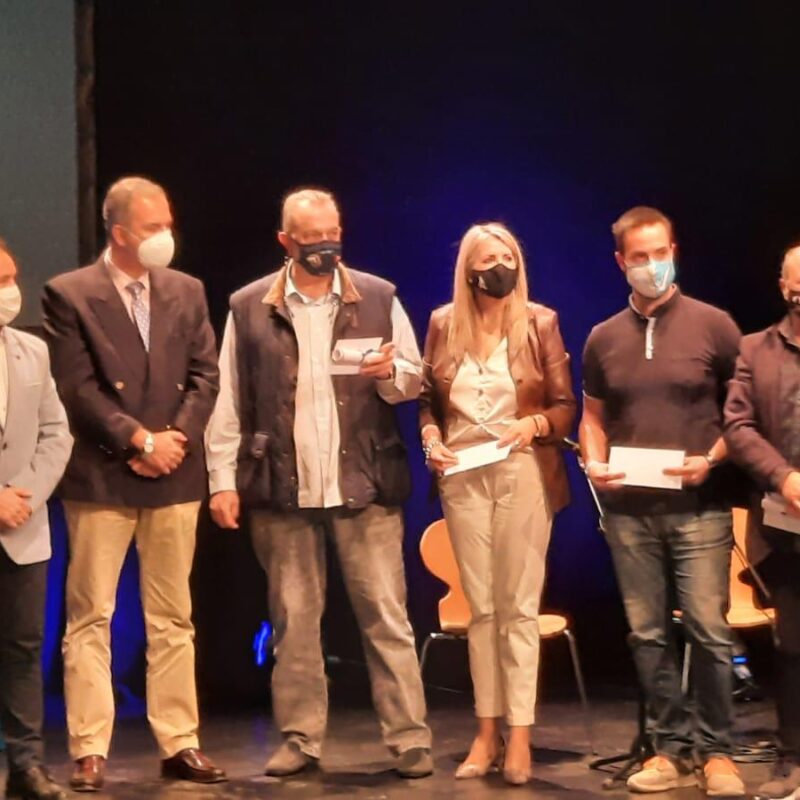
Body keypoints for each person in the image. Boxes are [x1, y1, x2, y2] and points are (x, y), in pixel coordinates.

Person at [205, 187, 433, 779]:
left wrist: (391, 372)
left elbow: (414, 380)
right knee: (294, 622)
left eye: (333, 235)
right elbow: (229, 401)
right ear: (286, 241)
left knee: (386, 616)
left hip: (365, 483)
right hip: (283, 487)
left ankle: (409, 737)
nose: (325, 248)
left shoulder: (378, 296)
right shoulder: (249, 306)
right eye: (312, 240)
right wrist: (222, 480)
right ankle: (300, 737)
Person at [41, 177, 225, 791]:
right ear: (119, 233)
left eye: (167, 223)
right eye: (152, 227)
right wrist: (139, 442)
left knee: (173, 616)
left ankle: (180, 741)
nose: (165, 236)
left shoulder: (186, 290)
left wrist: (174, 440)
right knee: (90, 614)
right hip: (102, 475)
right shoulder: (69, 294)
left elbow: (205, 376)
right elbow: (77, 388)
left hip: (175, 473)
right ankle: (90, 747)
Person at [579, 206, 745, 797]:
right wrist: (593, 462)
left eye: (660, 253)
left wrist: (713, 459)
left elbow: (743, 415)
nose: (651, 266)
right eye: (639, 257)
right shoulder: (603, 337)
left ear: (674, 251)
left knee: (709, 631)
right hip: (629, 513)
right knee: (647, 635)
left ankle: (717, 752)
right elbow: (592, 418)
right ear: (620, 262)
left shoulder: (714, 326)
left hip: (700, 508)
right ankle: (668, 749)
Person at [419, 222, 576, 785]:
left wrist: (533, 425)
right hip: (462, 476)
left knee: (518, 607)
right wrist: (431, 438)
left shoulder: (540, 323)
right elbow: (427, 400)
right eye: (487, 260)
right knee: (481, 608)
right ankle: (487, 732)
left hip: (522, 470)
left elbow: (564, 407)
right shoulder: (443, 324)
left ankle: (521, 735)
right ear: (468, 270)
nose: (499, 268)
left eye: (507, 257)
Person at [724, 243, 800, 800]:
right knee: (793, 647)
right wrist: (784, 477)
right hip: (785, 524)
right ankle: (795, 760)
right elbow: (738, 425)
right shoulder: (755, 349)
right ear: (783, 287)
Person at [0, 239, 73, 800]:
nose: (10, 291)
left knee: (24, 649)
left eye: (10, 279)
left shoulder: (31, 351)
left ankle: (26, 766)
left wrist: (26, 495)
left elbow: (56, 433)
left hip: (22, 527)